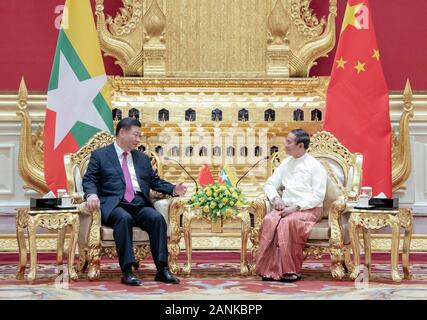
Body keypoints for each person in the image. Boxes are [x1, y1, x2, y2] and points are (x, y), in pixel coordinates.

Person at [82, 117, 187, 286]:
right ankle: (127, 271)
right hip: (115, 204)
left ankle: (162, 269)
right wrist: (91, 195)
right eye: (135, 135)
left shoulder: (142, 158)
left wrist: (174, 189)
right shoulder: (100, 155)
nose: (139, 140)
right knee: (124, 218)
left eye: (140, 136)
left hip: (139, 204)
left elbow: (155, 181)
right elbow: (89, 179)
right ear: (122, 133)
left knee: (156, 219)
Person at [256, 128, 327, 282]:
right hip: (286, 206)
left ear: (300, 145)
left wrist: (296, 208)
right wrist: (276, 199)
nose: (285, 145)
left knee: (288, 223)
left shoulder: (315, 166)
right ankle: (269, 269)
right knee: (269, 220)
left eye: (289, 142)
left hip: (309, 208)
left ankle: (290, 270)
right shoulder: (286, 163)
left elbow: (318, 196)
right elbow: (270, 184)